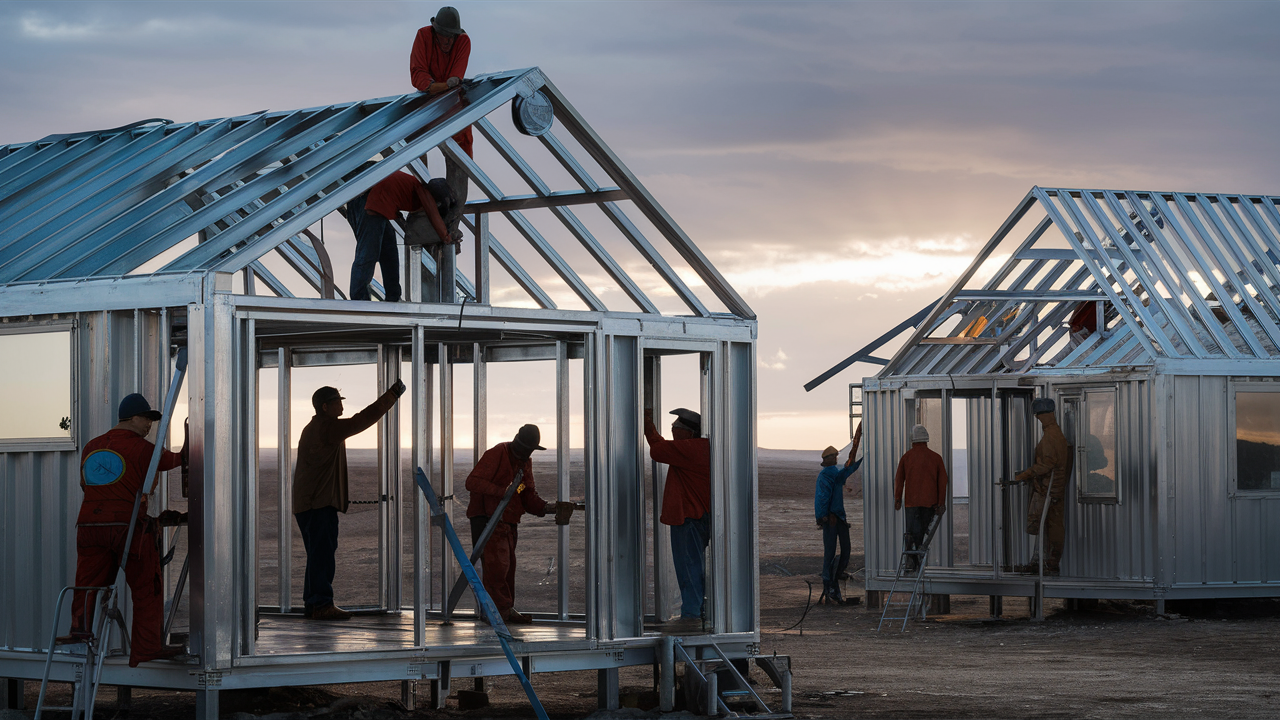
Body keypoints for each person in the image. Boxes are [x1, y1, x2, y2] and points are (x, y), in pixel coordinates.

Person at [64, 393, 188, 667]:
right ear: (133, 418)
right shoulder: (142, 448)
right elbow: (172, 461)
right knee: (147, 587)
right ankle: (145, 649)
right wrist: (190, 448)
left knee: (87, 583)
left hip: (89, 526)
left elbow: (87, 485)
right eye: (147, 420)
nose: (149, 426)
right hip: (127, 526)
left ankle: (80, 632)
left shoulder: (91, 446)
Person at [293, 381, 405, 620]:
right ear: (325, 407)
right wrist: (391, 396)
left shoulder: (316, 427)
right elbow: (360, 421)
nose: (340, 406)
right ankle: (321, 604)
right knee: (322, 555)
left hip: (311, 504)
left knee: (317, 555)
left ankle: (314, 604)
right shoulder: (326, 428)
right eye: (336, 402)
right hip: (318, 505)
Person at [465, 424, 574, 624]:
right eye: (526, 449)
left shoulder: (524, 464)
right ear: (517, 443)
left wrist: (547, 508)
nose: (528, 453)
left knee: (507, 568)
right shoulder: (498, 453)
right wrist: (502, 492)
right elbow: (472, 482)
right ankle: (496, 612)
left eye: (530, 450)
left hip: (507, 520)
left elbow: (526, 494)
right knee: (496, 568)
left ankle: (504, 610)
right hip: (488, 519)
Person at [644, 407, 711, 629]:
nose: (673, 430)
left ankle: (691, 614)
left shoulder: (693, 449)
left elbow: (658, 450)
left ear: (689, 432)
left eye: (677, 428)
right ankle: (697, 611)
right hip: (698, 516)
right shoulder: (698, 448)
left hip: (689, 517)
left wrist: (646, 423)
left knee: (689, 565)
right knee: (695, 565)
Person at [409, 6, 472, 236]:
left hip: (453, 106)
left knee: (461, 155)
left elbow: (456, 77)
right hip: (426, 105)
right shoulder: (423, 36)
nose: (447, 42)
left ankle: (452, 224)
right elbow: (419, 77)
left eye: (451, 38)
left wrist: (445, 85)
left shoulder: (463, 41)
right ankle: (423, 209)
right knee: (414, 143)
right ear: (435, 31)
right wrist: (443, 85)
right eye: (443, 37)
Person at [345, 171, 451, 302]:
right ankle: (359, 298)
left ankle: (393, 296)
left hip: (373, 207)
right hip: (369, 205)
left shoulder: (411, 186)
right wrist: (446, 236)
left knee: (390, 253)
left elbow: (394, 196)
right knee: (368, 253)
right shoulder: (424, 192)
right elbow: (433, 213)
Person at [1010, 397, 1072, 576]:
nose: (1040, 419)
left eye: (1040, 416)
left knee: (1045, 526)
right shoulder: (1055, 434)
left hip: (1048, 490)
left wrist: (1024, 475)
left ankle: (1047, 563)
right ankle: (1043, 562)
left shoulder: (1051, 437)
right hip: (1053, 489)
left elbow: (1046, 465)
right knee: (1048, 527)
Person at [814, 423, 862, 604]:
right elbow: (822, 497)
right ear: (827, 459)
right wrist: (825, 516)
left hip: (837, 517)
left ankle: (833, 580)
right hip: (832, 519)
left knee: (838, 550)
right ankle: (830, 583)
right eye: (834, 456)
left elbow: (845, 473)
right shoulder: (828, 474)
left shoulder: (831, 473)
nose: (835, 459)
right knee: (833, 551)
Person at [893, 424, 948, 573]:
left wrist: (897, 499)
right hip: (930, 504)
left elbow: (899, 480)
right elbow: (943, 482)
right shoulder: (936, 458)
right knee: (923, 534)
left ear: (912, 440)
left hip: (911, 504)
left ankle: (912, 563)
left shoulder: (907, 457)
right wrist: (940, 503)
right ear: (926, 439)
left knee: (911, 534)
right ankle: (918, 563)